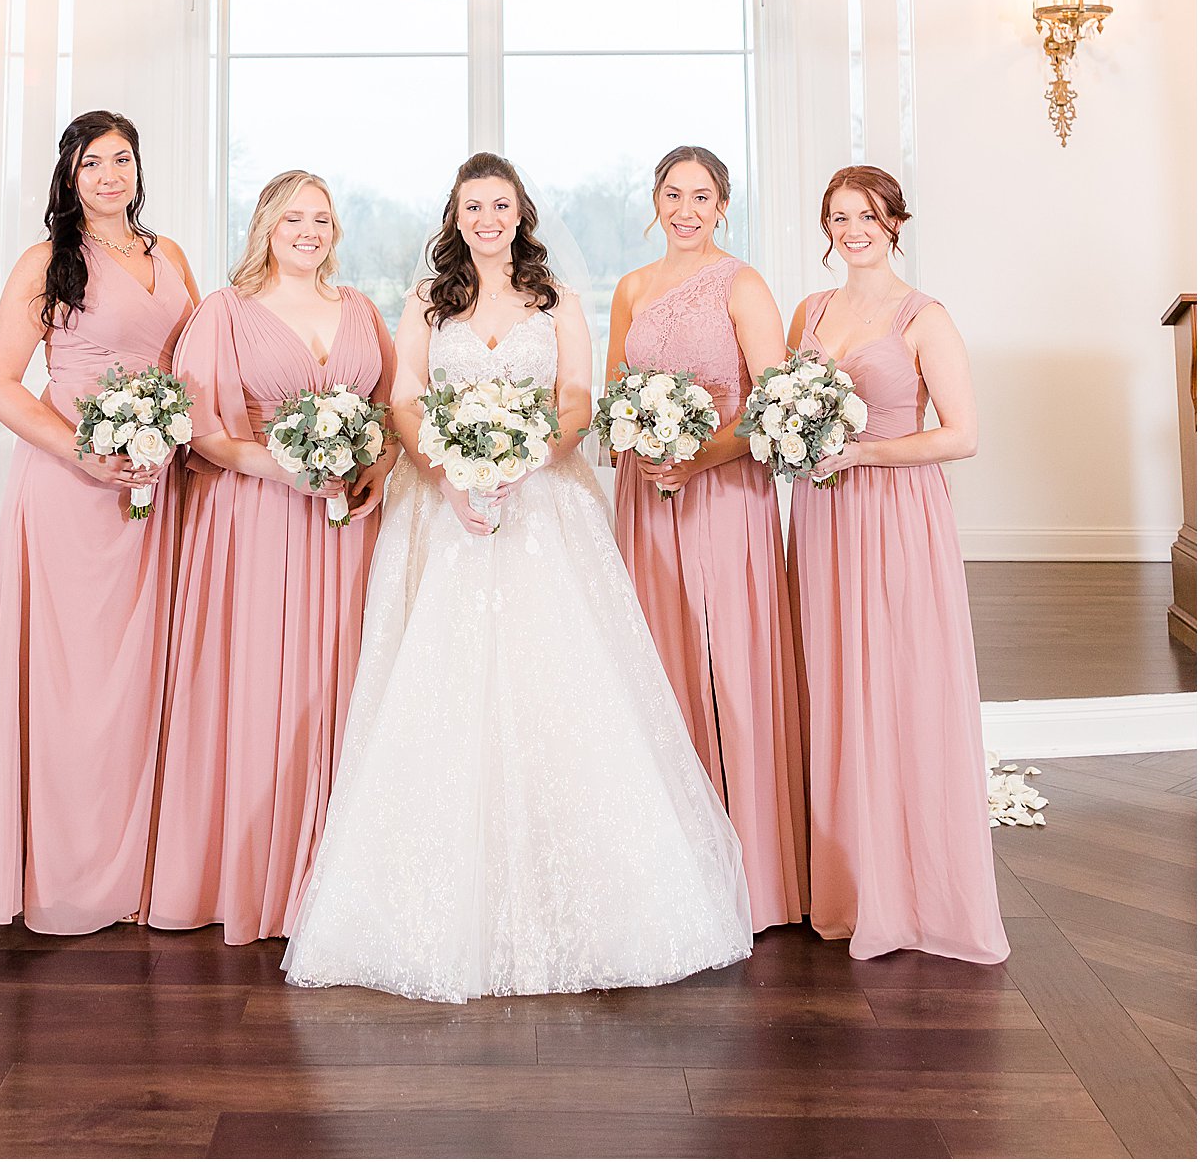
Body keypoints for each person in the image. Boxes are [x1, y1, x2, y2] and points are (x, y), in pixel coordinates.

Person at [283, 153, 752, 1001]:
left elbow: (576, 398)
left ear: (520, 211)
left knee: (564, 690)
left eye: (501, 203)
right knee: (441, 689)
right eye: (473, 204)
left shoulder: (558, 300)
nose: (488, 217)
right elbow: (407, 398)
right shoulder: (429, 301)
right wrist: (454, 470)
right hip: (443, 507)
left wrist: (522, 460)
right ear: (456, 215)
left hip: (547, 507)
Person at [0, 111, 198, 932]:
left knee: (141, 676)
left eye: (121, 159)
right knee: (75, 679)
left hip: (154, 488)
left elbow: (192, 366)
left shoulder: (171, 258)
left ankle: (140, 857)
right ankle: (64, 861)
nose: (108, 175)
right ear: (69, 175)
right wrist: (83, 454)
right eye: (91, 162)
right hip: (69, 492)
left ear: (138, 168)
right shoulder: (46, 262)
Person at [145, 171, 395, 943]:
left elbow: (388, 411)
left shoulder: (359, 309)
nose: (309, 230)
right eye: (294, 217)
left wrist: (374, 476)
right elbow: (206, 431)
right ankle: (256, 874)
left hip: (346, 527)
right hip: (255, 520)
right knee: (260, 684)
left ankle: (337, 874)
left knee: (342, 683)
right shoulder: (224, 312)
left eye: (321, 218)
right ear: (265, 225)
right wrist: (286, 467)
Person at [787, 166, 1008, 962]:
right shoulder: (809, 311)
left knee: (895, 680)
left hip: (894, 513)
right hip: (821, 516)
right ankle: (844, 882)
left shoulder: (925, 316)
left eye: (867, 215)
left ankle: (908, 889)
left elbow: (963, 433)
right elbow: (786, 406)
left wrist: (865, 452)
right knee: (834, 680)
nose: (852, 229)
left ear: (894, 222)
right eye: (839, 216)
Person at [608, 145, 808, 933]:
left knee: (730, 657)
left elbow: (774, 402)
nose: (684, 209)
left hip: (723, 490)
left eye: (701, 196)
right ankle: (670, 861)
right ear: (654, 200)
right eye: (671, 193)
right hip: (645, 494)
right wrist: (643, 446)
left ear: (723, 205)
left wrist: (697, 458)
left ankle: (753, 866)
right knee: (657, 661)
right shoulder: (630, 287)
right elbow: (617, 388)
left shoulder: (743, 283)